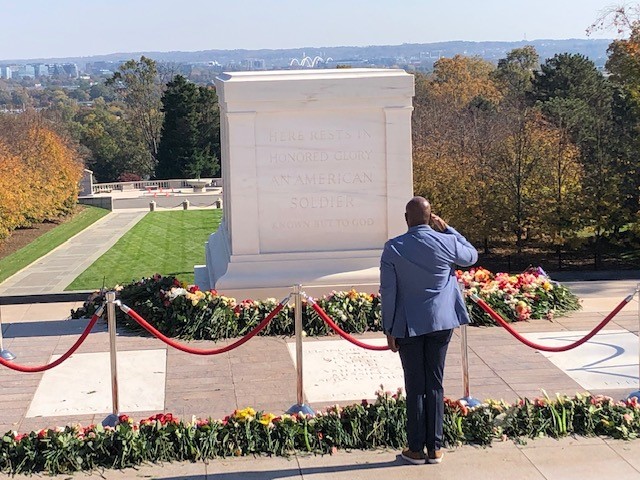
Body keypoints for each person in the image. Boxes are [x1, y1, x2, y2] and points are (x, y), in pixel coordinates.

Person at [380, 196, 477, 465]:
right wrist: (448, 229)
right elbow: (471, 255)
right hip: (441, 323)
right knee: (435, 383)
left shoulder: (394, 248)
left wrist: (389, 326)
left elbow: (388, 292)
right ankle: (435, 447)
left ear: (406, 218)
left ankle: (415, 448)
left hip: (409, 325)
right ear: (431, 217)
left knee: (415, 386)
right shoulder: (446, 242)